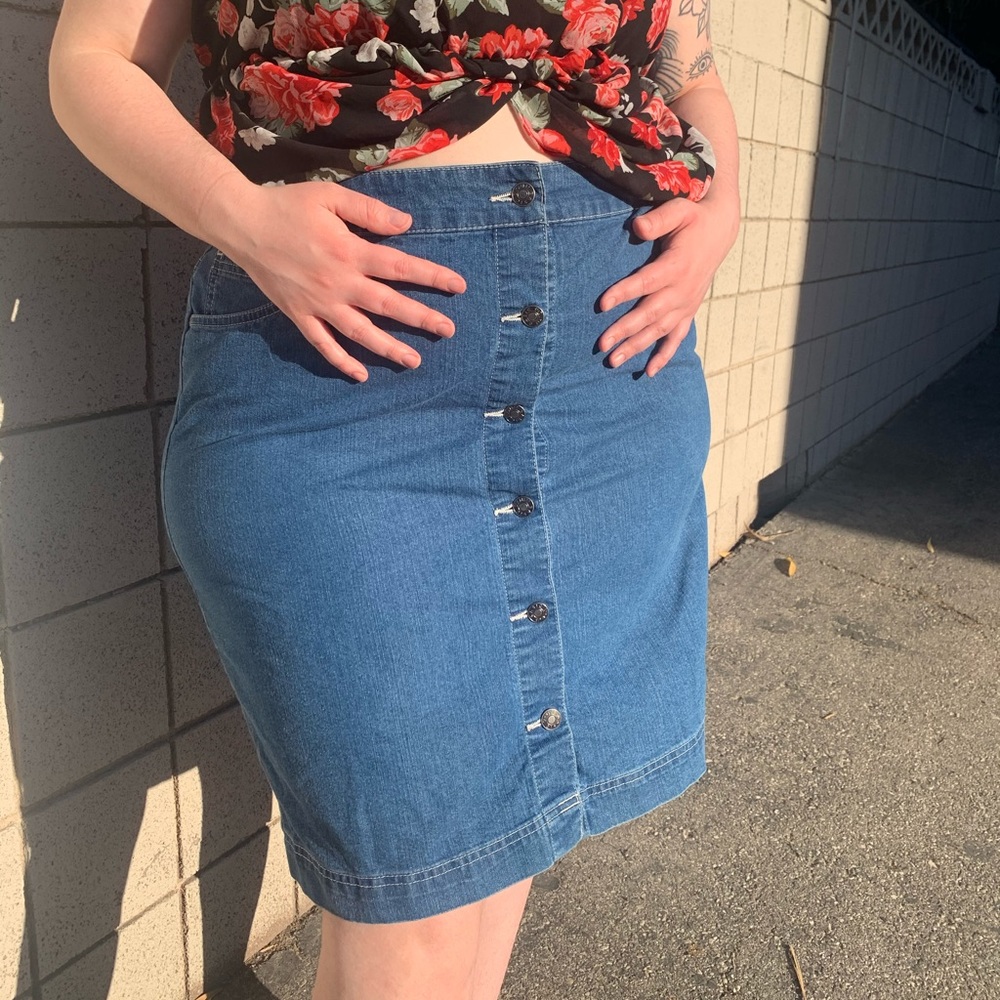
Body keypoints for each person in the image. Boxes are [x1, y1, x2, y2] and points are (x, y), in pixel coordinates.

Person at [48, 0, 740, 992]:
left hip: (604, 373)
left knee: (497, 856)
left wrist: (724, 208)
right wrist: (241, 217)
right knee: (408, 918)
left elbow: (689, 76)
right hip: (343, 375)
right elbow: (92, 58)